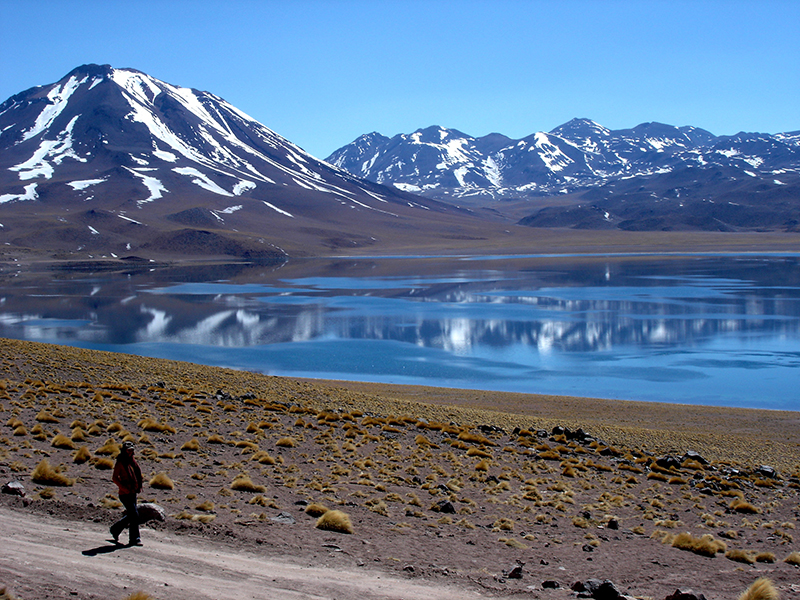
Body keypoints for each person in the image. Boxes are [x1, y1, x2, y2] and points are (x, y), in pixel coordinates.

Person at [110, 440, 144, 546]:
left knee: (132, 515)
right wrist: (123, 488)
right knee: (134, 515)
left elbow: (137, 473)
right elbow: (115, 478)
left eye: (131, 450)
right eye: (128, 450)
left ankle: (115, 529)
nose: (130, 452)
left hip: (133, 492)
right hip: (124, 494)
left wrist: (138, 486)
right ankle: (134, 539)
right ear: (124, 450)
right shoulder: (120, 462)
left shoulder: (132, 461)